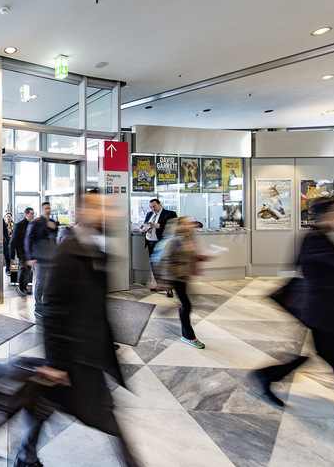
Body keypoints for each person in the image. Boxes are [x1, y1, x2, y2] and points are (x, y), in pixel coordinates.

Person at [14, 191, 140, 467]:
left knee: (47, 404)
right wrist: (55, 362)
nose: (105, 213)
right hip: (73, 358)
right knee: (105, 416)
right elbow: (53, 310)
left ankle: (25, 453)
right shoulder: (66, 253)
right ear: (80, 213)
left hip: (88, 354)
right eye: (97, 207)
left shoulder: (98, 252)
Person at [250, 199, 334, 429]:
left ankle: (267, 375)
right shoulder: (314, 239)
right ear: (324, 215)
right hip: (322, 313)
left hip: (324, 313)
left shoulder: (318, 238)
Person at [154, 216, 212, 349]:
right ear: (180, 226)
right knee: (187, 305)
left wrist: (205, 257)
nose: (192, 226)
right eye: (188, 224)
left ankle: (167, 311)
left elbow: (192, 255)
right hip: (176, 277)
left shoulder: (188, 238)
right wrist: (164, 282)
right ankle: (188, 336)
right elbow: (163, 261)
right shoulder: (173, 241)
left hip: (184, 276)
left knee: (185, 303)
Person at [25, 202, 58, 320]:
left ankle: (48, 306)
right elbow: (28, 239)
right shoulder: (36, 222)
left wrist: (53, 229)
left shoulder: (53, 222)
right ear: (42, 210)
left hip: (52, 258)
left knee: (50, 283)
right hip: (40, 258)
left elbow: (54, 239)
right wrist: (30, 258)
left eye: (49, 208)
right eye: (46, 208)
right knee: (40, 283)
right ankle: (38, 307)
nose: (48, 210)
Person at [139, 198, 177, 297]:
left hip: (163, 243)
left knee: (165, 266)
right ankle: (159, 284)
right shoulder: (149, 215)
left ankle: (169, 288)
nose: (153, 209)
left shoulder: (169, 214)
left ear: (160, 204)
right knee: (154, 265)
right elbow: (147, 225)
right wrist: (143, 229)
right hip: (151, 243)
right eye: (151, 207)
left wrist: (159, 226)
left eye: (154, 206)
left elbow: (174, 227)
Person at [10, 207, 35, 297]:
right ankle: (21, 288)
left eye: (33, 213)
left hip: (30, 250)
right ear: (26, 214)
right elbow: (13, 240)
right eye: (31, 214)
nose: (33, 215)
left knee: (28, 269)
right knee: (23, 268)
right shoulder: (19, 225)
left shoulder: (33, 224)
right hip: (21, 249)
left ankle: (24, 286)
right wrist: (11, 253)